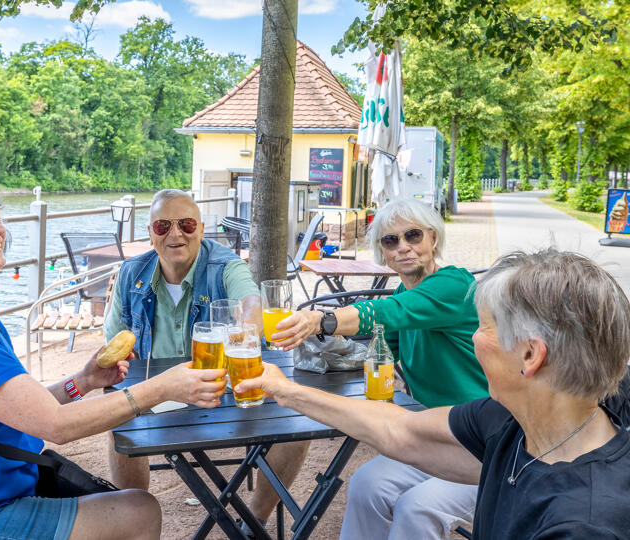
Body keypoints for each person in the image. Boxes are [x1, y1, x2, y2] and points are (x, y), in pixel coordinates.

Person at [0, 170, 227, 540]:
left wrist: (82, 381)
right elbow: (56, 426)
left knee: (128, 505)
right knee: (138, 511)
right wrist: (162, 387)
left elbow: (19, 409)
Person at [239, 249, 630, 538]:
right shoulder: (517, 421)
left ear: (530, 355)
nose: (473, 337)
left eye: (485, 327)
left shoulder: (583, 523)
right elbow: (400, 430)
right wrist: (286, 390)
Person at [272, 197, 488, 538]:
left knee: (416, 507)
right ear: (382, 251)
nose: (403, 247)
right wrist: (325, 349)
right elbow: (381, 350)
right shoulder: (407, 290)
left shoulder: (454, 286)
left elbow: (389, 312)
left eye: (413, 235)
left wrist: (321, 320)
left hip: (483, 443)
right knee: (365, 485)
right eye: (391, 240)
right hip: (431, 435)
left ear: (433, 239)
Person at [102, 189, 309, 536]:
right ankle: (133, 518)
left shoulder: (225, 265)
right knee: (116, 418)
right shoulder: (130, 273)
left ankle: (253, 521)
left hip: (224, 390)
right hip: (157, 389)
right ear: (150, 232)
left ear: (200, 229)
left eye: (186, 223)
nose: (175, 233)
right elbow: (112, 342)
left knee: (298, 422)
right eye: (162, 225)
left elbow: (251, 305)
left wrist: (247, 326)